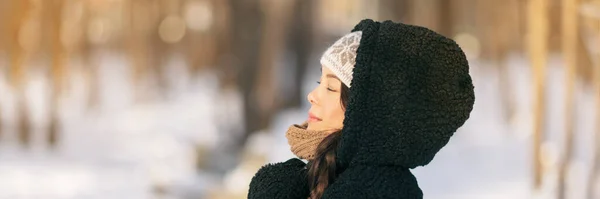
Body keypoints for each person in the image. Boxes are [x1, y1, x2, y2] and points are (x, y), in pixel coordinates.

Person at [248, 19, 475, 199]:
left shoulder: (374, 191)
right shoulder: (329, 176)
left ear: (367, 110)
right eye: (320, 83)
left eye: (330, 88)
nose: (312, 96)